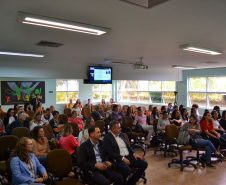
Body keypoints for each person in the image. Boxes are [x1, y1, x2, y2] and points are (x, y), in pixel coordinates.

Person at [103, 120, 148, 185]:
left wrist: (134, 153)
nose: (121, 129)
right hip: (118, 159)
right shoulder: (107, 137)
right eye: (118, 128)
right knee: (126, 169)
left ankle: (131, 182)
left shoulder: (122, 135)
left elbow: (129, 146)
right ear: (113, 129)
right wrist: (122, 158)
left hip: (128, 155)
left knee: (144, 164)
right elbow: (109, 152)